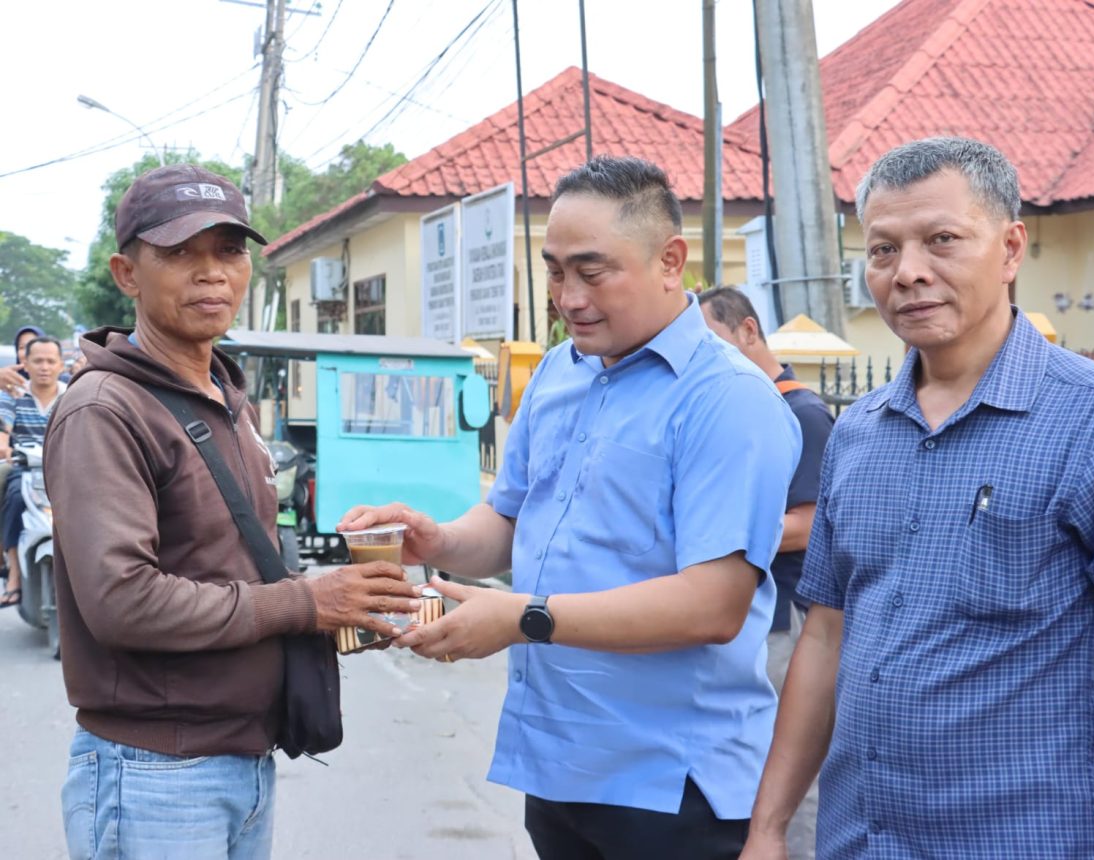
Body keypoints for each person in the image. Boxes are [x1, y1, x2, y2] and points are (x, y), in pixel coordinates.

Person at [341, 155, 800, 859]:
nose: (569, 295)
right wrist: (436, 541)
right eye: (555, 271)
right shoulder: (561, 371)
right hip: (557, 762)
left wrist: (523, 619)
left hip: (669, 784)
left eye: (593, 271)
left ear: (670, 261)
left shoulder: (726, 401)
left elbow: (714, 606)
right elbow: (512, 521)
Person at [742, 136, 1094, 859]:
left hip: (1023, 840)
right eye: (883, 250)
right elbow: (823, 636)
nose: (909, 273)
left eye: (942, 241)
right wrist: (770, 827)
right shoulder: (858, 436)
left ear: (1009, 250)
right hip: (860, 840)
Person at [43, 164, 421, 859]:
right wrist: (304, 604)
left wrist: (353, 604)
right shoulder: (105, 411)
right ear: (127, 274)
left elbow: (225, 560)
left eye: (229, 251)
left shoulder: (221, 397)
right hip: (157, 774)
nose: (211, 273)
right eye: (180, 252)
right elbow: (123, 601)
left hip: (241, 763)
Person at [697, 286, 832, 860]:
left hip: (787, 618)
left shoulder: (801, 411)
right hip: (744, 614)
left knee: (787, 761)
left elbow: (810, 522)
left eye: (713, 341)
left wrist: (719, 530)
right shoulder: (731, 405)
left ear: (748, 331)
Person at [0, 335, 66, 607]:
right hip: (24, 470)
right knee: (14, 498)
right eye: (38, 361)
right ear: (25, 363)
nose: (44, 367)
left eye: (51, 361)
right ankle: (14, 573)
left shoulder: (71, 394)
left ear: (61, 365)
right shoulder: (12, 394)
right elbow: (4, 433)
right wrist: (5, 448)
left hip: (63, 470)